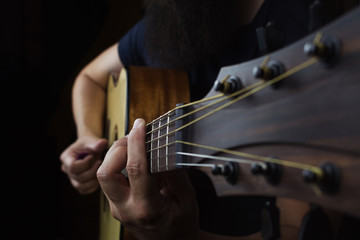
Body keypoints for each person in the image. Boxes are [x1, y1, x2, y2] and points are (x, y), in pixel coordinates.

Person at [60, 0, 313, 238]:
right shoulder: (175, 19)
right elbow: (90, 79)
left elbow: (295, 230)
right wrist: (87, 135)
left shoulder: (303, 31)